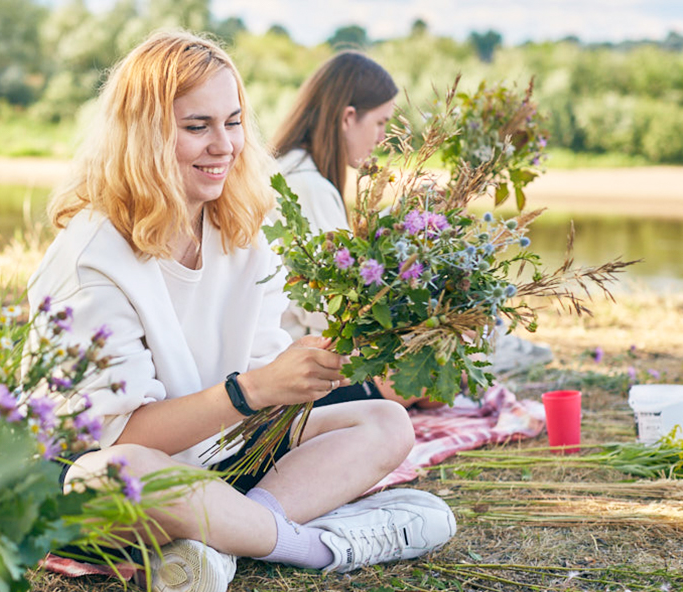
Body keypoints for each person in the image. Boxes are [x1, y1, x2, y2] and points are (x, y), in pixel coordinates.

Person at [28, 32, 455, 592]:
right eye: (196, 126)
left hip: (221, 456)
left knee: (383, 420)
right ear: (143, 136)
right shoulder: (93, 258)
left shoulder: (242, 227)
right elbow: (123, 435)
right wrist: (252, 389)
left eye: (232, 122)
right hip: (100, 474)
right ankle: (316, 546)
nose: (224, 145)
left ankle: (224, 540)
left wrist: (319, 368)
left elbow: (259, 388)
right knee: (116, 473)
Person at [269, 51, 550, 409]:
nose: (383, 136)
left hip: (295, 351)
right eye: (381, 122)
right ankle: (494, 352)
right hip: (293, 363)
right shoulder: (308, 185)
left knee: (430, 367)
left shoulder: (291, 168)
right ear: (348, 117)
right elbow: (330, 308)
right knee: (425, 375)